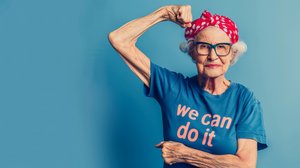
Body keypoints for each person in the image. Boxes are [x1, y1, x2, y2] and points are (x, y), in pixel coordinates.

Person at [108, 5, 267, 168]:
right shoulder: (173, 88)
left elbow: (246, 165)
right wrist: (163, 14)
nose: (213, 56)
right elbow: (119, 39)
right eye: (204, 46)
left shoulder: (244, 100)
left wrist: (184, 154)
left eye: (221, 47)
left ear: (232, 54)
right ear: (192, 51)